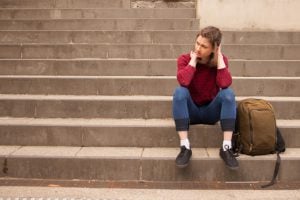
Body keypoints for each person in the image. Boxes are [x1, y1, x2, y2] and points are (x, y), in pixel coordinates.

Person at [172, 26, 238, 170]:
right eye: (197, 43)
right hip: (191, 112)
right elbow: (183, 81)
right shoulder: (184, 59)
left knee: (228, 94)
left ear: (214, 48)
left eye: (204, 46)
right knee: (179, 92)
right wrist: (193, 62)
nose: (198, 48)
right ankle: (185, 147)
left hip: (211, 112)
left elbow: (225, 84)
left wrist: (219, 59)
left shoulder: (221, 61)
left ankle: (226, 147)